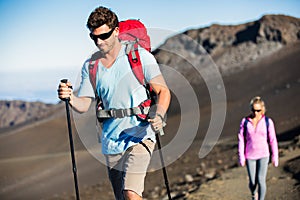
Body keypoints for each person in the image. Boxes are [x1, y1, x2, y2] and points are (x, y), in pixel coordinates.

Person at [58, 6, 171, 200]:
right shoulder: (91, 66)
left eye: (104, 36)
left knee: (131, 194)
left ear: (116, 31)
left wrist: (159, 114)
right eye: (94, 38)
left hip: (140, 134)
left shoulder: (139, 57)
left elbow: (163, 90)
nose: (99, 42)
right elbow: (84, 105)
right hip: (111, 142)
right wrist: (70, 97)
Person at [238, 96, 279, 200]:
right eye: (253, 110)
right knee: (253, 181)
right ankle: (253, 194)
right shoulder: (245, 122)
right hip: (250, 156)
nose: (255, 113)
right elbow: (241, 139)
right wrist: (241, 157)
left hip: (263, 155)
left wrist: (275, 157)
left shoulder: (268, 122)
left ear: (262, 109)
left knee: (261, 180)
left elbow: (273, 140)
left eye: (258, 110)